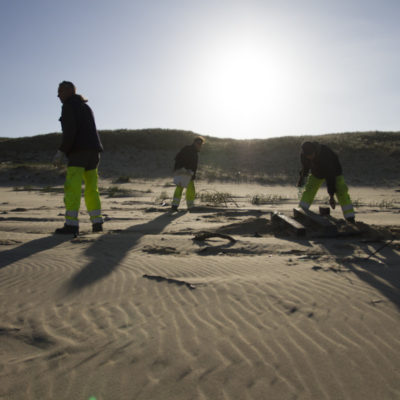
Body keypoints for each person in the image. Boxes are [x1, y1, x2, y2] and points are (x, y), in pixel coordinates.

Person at [53, 81, 104, 235]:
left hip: (78, 152)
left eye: (60, 91)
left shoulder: (69, 105)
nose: (58, 95)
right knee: (92, 189)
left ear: (68, 91)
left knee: (72, 188)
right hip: (94, 152)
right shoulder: (85, 106)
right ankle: (97, 223)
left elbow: (70, 131)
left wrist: (61, 151)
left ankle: (71, 225)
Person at [297, 141, 355, 223]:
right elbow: (305, 167)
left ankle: (350, 218)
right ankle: (300, 213)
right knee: (309, 191)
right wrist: (302, 178)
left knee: (342, 192)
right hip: (317, 173)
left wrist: (331, 196)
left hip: (334, 172)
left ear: (315, 151)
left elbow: (330, 176)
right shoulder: (304, 155)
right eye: (307, 156)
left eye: (311, 155)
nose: (309, 157)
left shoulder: (326, 154)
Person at [171, 136, 204, 211]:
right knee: (185, 188)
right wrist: (183, 168)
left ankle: (177, 206)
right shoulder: (188, 149)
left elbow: (193, 165)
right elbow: (178, 158)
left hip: (188, 172)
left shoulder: (194, 151)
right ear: (194, 142)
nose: (199, 145)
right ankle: (187, 206)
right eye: (198, 143)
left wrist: (192, 173)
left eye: (201, 144)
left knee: (187, 188)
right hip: (184, 171)